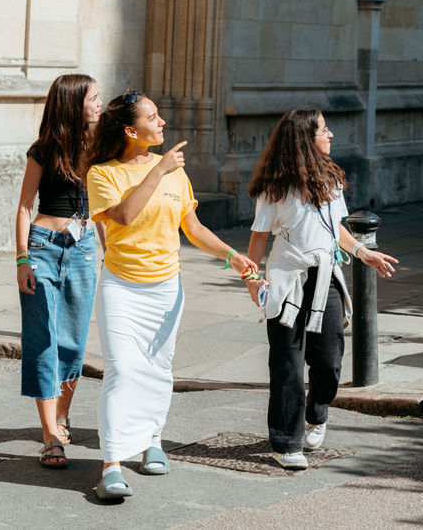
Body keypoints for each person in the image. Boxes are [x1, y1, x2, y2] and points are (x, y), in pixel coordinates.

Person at [86, 92, 257, 500]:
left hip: (166, 287)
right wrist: (158, 171)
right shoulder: (103, 174)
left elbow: (193, 228)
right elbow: (123, 217)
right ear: (131, 130)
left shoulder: (176, 174)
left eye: (159, 116)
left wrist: (233, 255)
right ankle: (110, 464)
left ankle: (151, 441)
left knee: (158, 370)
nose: (162, 122)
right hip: (121, 287)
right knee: (123, 370)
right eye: (152, 117)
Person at [244, 109, 398, 470]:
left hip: (326, 277)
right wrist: (253, 279)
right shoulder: (275, 187)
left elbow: (335, 230)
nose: (330, 136)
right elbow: (259, 236)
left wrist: (363, 253)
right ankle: (286, 442)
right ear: (304, 139)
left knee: (328, 361)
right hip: (288, 279)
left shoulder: (330, 178)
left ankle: (317, 412)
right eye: (324, 131)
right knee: (288, 363)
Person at [15, 74, 103, 469]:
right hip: (43, 249)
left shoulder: (98, 149)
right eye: (93, 97)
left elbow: (101, 207)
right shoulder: (43, 150)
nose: (99, 103)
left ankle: (62, 416)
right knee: (43, 338)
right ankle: (50, 433)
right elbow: (23, 207)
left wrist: (108, 248)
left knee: (74, 341)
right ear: (73, 104)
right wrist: (20, 259)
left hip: (83, 249)